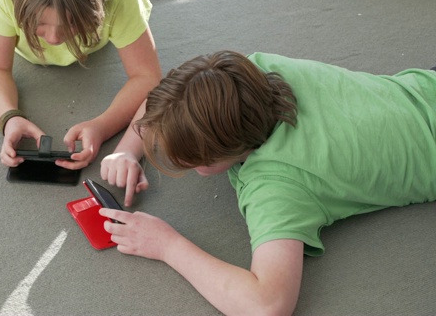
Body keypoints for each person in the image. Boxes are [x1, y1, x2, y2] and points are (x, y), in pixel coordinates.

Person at [99, 50, 436, 315]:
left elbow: (267, 305)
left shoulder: (277, 187)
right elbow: (165, 98)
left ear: (205, 165)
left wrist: (167, 245)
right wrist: (127, 151)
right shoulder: (252, 71)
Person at [0, 0, 161, 169]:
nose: (53, 38)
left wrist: (102, 127)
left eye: (71, 23)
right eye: (39, 22)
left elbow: (148, 77)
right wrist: (8, 117)